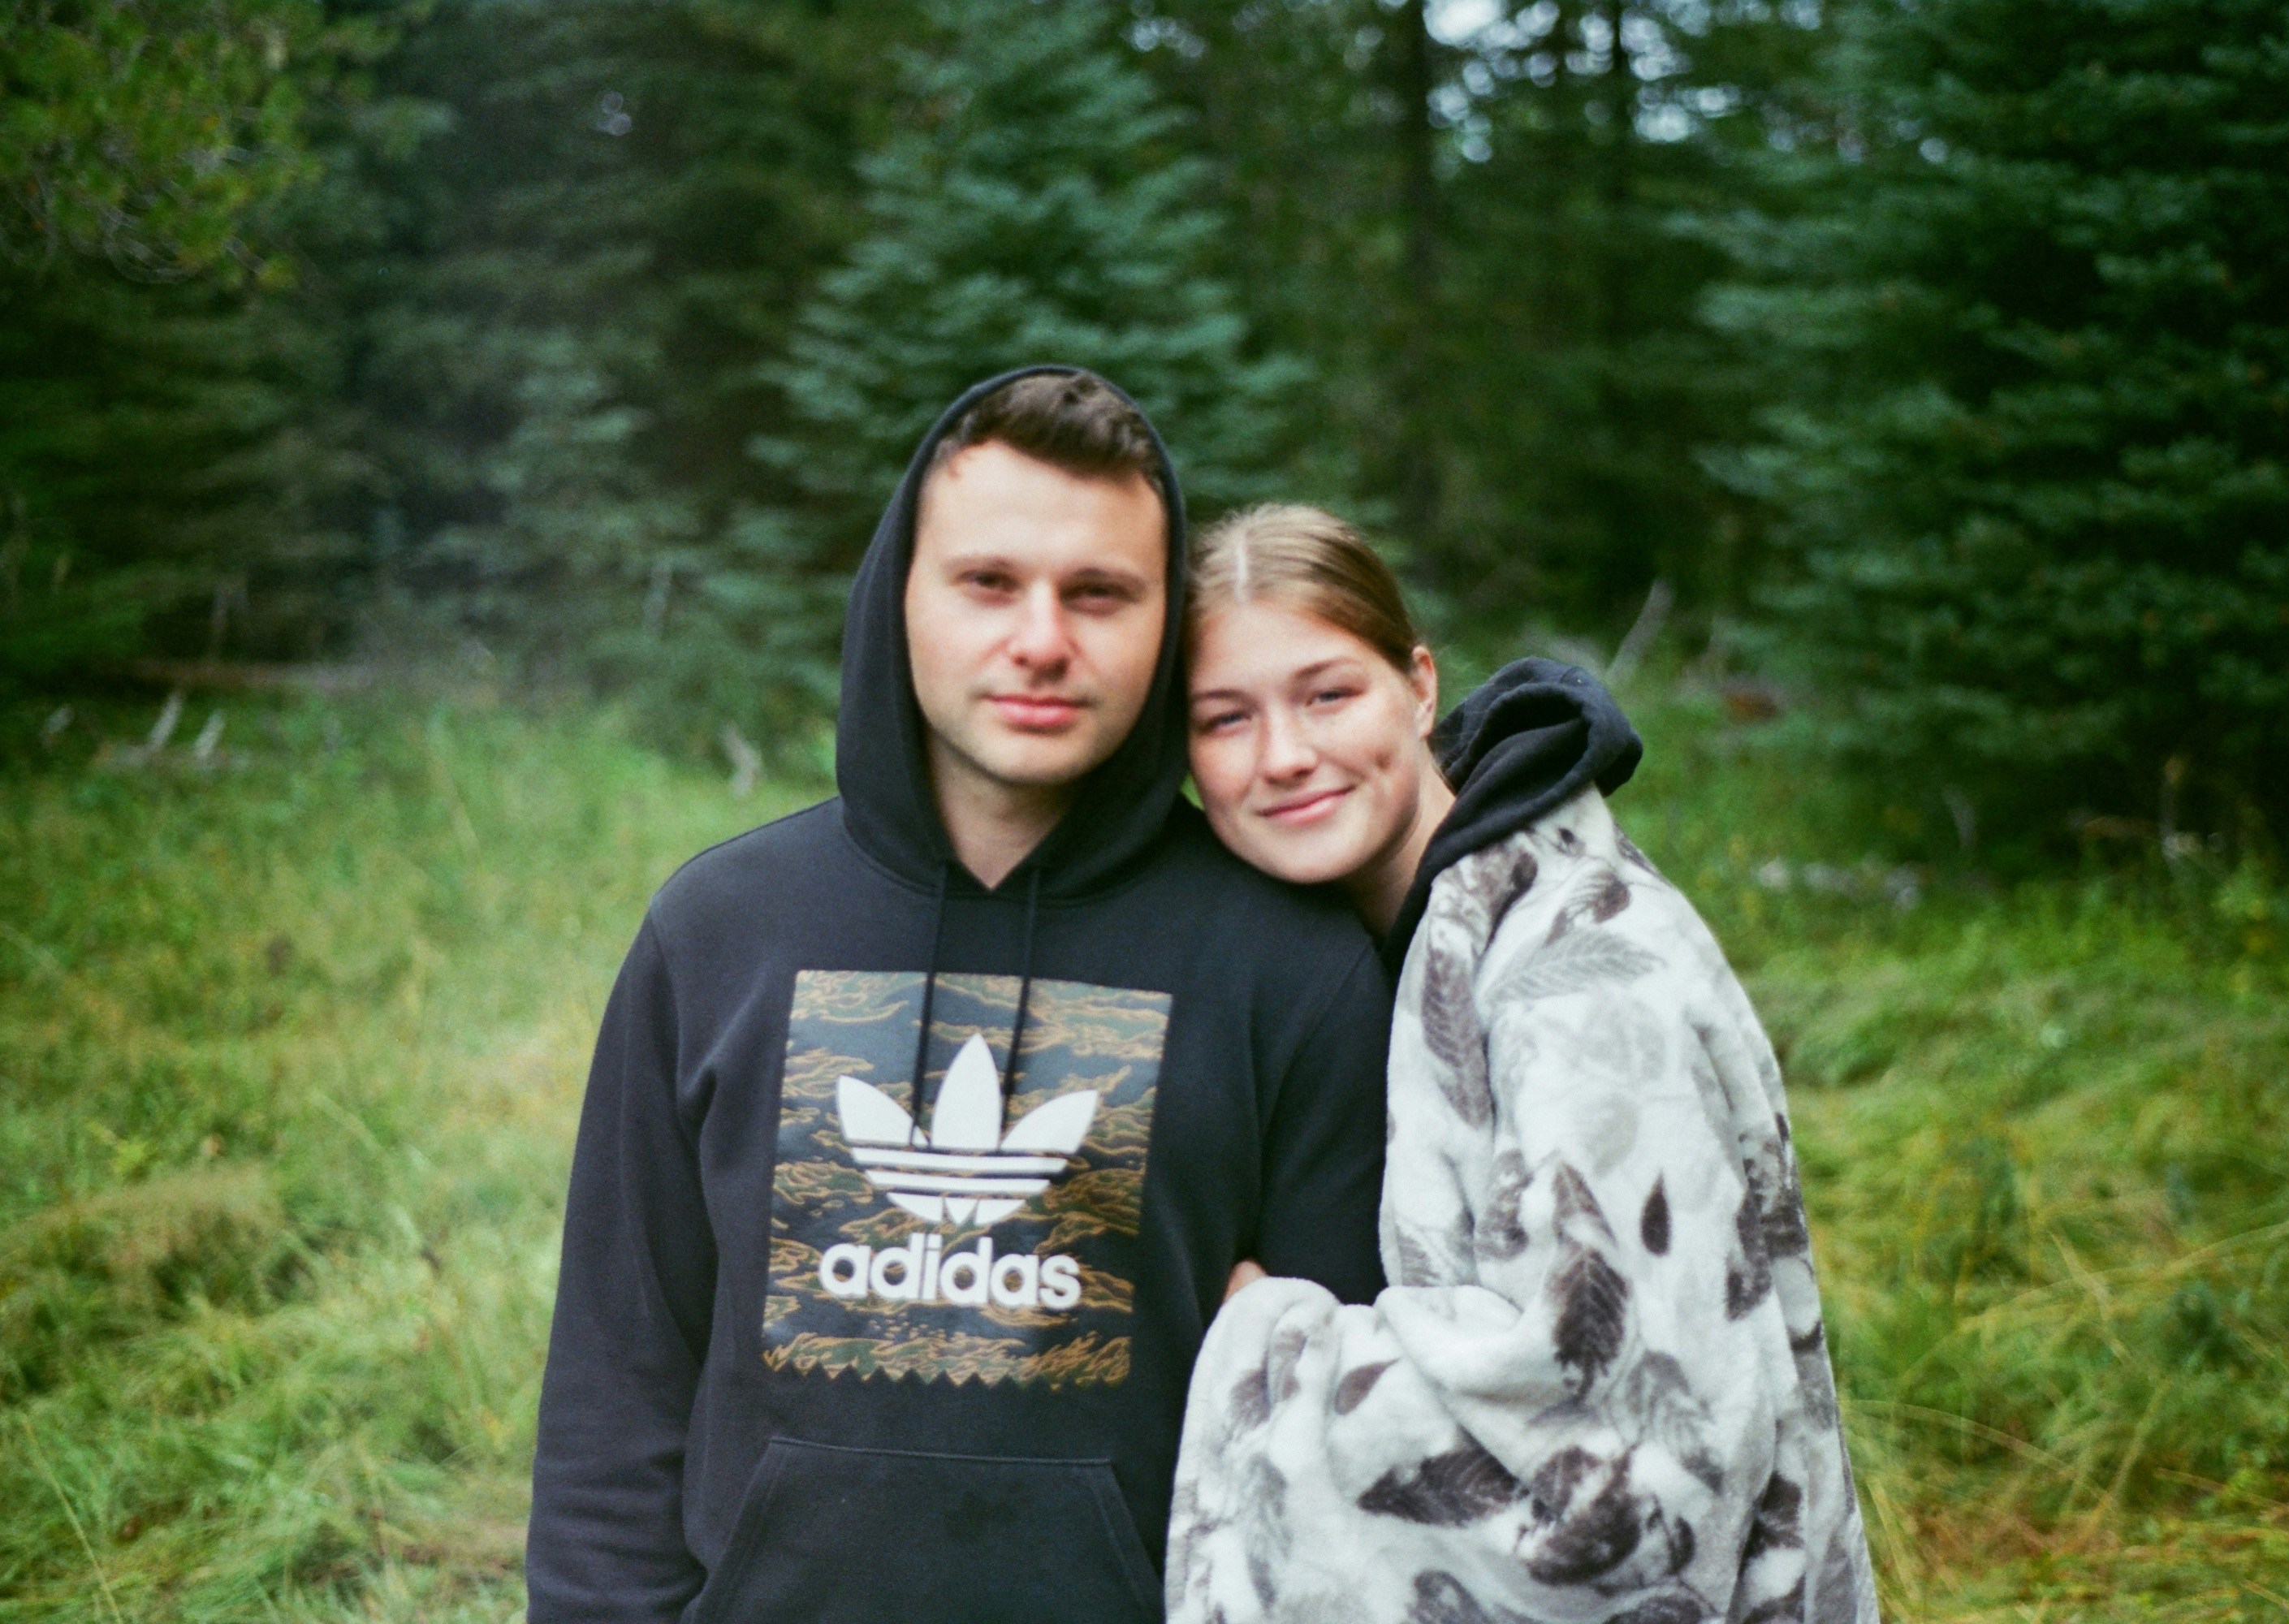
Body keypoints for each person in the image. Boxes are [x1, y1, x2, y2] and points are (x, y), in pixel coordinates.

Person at [525, 375, 1394, 1624]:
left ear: (1162, 627)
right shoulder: (720, 933)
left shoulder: (1287, 966)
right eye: (989, 583)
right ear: (901, 601)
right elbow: (620, 1382)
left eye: (1100, 594)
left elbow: (1341, 1446)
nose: (1043, 638)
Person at [1166, 505, 1878, 1624]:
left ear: (1417, 685)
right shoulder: (1386, 944)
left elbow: (1634, 1481)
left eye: (1328, 695)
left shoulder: (1580, 975)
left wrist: (1265, 1342)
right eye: (1225, 719)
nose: (1285, 756)